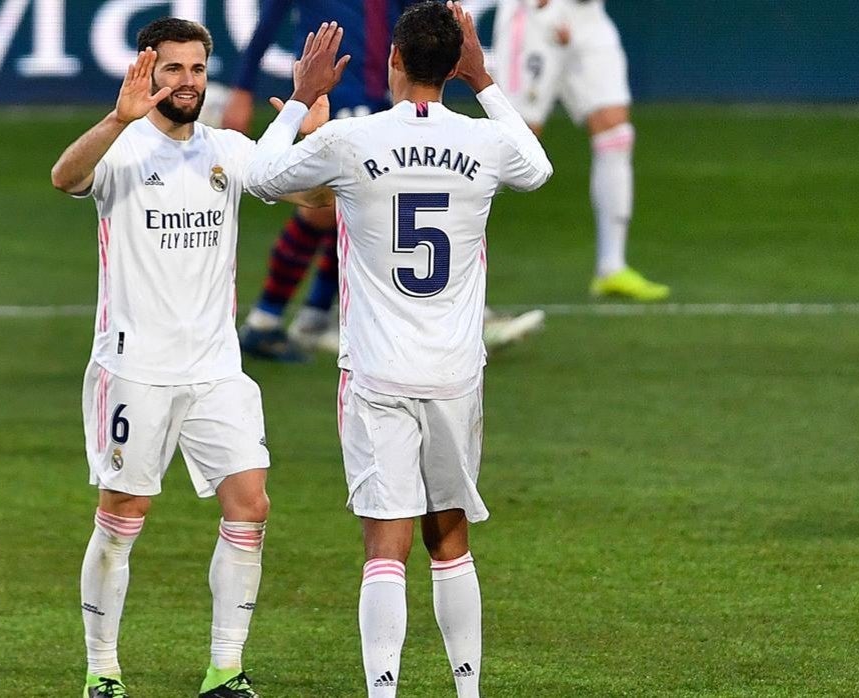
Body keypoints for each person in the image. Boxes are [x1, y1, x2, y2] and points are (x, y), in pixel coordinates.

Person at [244, 4, 552, 696]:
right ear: (453, 66)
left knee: (386, 546)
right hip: (455, 373)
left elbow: (261, 178)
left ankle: (383, 692)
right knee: (451, 540)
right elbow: (538, 168)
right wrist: (484, 81)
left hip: (376, 373)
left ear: (393, 60)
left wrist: (301, 100)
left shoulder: (353, 141)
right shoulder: (483, 143)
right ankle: (467, 691)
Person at [49, 17, 329, 698]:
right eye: (173, 69)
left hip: (216, 369)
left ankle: (225, 670)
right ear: (147, 72)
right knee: (124, 516)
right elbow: (64, 176)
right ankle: (102, 670)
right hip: (134, 367)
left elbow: (315, 200)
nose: (187, 82)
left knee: (251, 505)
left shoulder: (227, 149)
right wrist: (116, 119)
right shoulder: (122, 148)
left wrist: (317, 142)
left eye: (197, 69)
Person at [227, 0, 545, 361]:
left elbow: (414, 21)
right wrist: (243, 87)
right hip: (339, 90)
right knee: (328, 208)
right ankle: (271, 317)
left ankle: (310, 314)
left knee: (364, 201)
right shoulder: (485, 140)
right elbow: (268, 22)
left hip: (384, 94)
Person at [493, 0, 669, 301]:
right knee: (516, 142)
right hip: (537, 14)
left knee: (615, 131)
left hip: (588, 16)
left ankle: (611, 267)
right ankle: (440, 241)